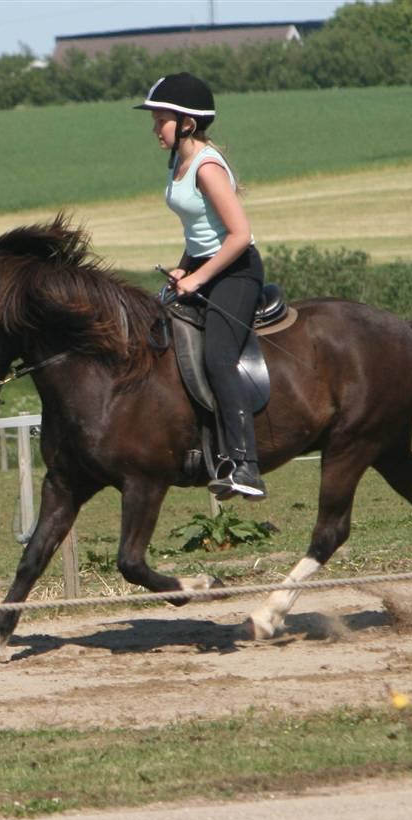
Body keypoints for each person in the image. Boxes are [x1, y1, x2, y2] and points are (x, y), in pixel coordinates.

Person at [135, 72, 266, 500]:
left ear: (187, 124)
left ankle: (246, 466)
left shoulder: (207, 167)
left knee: (218, 356)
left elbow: (238, 235)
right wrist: (182, 268)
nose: (155, 127)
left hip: (237, 271)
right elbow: (200, 232)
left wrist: (197, 277)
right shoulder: (177, 160)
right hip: (203, 266)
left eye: (161, 120)